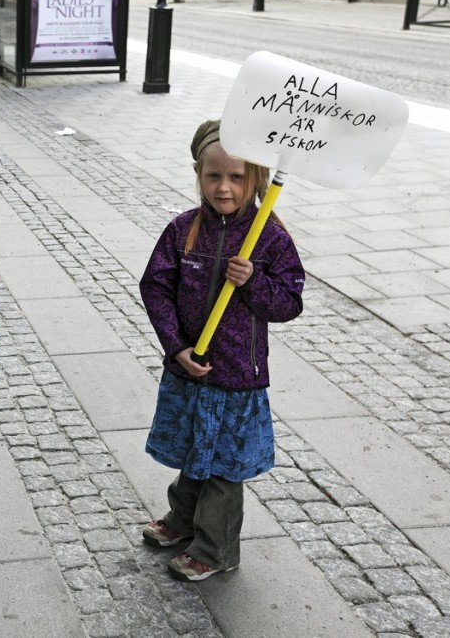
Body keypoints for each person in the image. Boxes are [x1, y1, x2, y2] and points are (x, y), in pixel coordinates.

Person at [138, 120, 305, 582]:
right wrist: (176, 348)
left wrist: (254, 282)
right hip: (190, 367)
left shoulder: (269, 236)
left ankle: (216, 548)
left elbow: (290, 302)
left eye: (236, 177)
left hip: (236, 377)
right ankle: (182, 521)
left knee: (223, 466)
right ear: (198, 172)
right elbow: (155, 287)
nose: (224, 188)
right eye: (214, 176)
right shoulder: (183, 230)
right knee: (195, 451)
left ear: (256, 178)